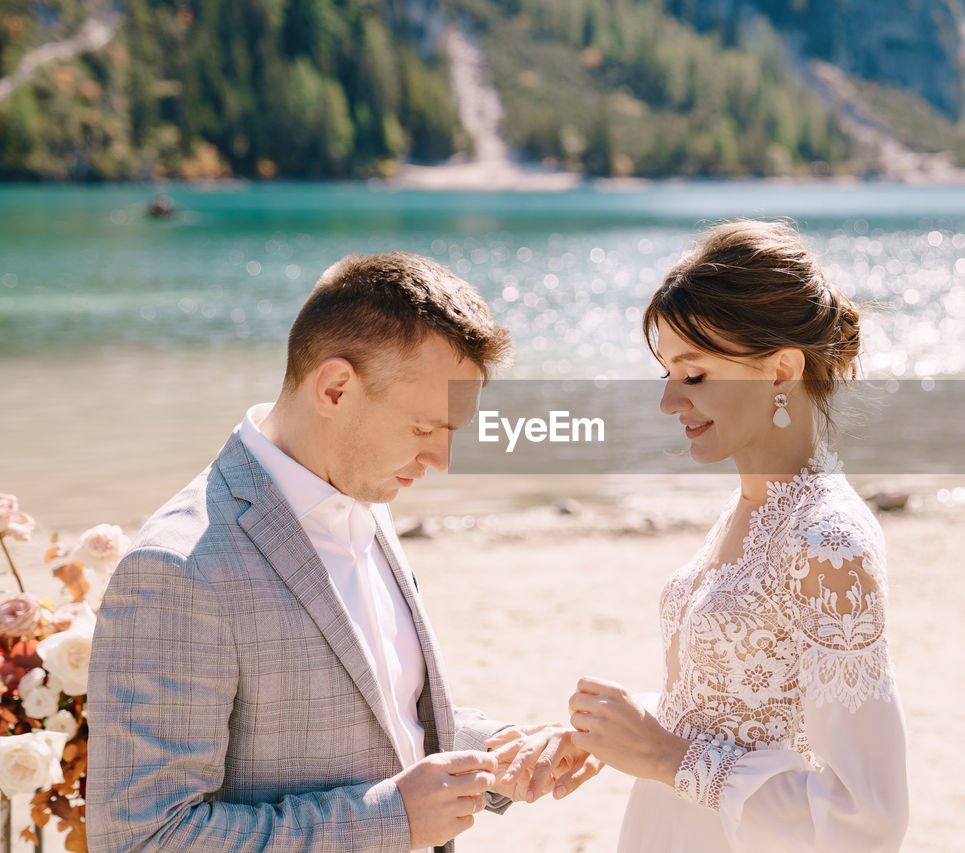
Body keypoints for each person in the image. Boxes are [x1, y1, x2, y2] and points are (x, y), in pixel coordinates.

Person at [87, 252, 598, 852]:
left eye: (451, 433)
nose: (441, 462)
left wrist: (500, 750)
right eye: (423, 429)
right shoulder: (179, 570)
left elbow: (384, 713)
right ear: (335, 388)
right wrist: (391, 821)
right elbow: (141, 838)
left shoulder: (365, 498)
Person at [563, 221, 909, 851]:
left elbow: (869, 820)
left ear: (781, 370)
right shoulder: (749, 507)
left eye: (693, 376)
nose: (669, 402)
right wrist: (612, 732)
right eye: (668, 374)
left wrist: (667, 757)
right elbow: (738, 704)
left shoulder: (828, 542)